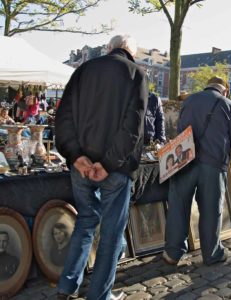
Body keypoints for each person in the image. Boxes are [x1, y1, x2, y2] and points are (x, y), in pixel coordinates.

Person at [55, 34, 147, 300]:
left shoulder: (84, 70)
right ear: (131, 52)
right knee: (110, 233)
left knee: (85, 222)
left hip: (85, 164)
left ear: (109, 48)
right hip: (113, 168)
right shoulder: (136, 73)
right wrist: (107, 163)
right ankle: (99, 295)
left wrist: (76, 155)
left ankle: (67, 286)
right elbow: (133, 126)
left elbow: (64, 116)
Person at [163, 76, 231, 266]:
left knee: (178, 206)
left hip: (184, 160)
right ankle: (212, 254)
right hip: (213, 164)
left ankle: (172, 252)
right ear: (224, 90)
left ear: (206, 86)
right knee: (211, 210)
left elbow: (180, 128)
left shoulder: (189, 100)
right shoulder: (228, 105)